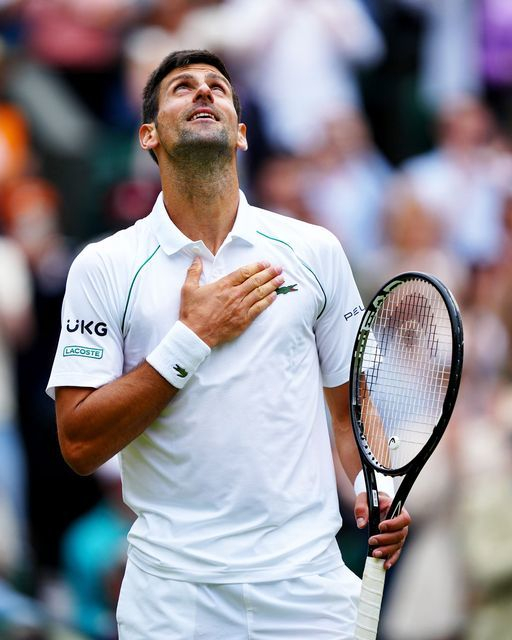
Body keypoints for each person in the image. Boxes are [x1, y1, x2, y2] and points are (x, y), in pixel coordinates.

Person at [46, 49, 410, 639]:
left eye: (217, 86)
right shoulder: (103, 267)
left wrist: (381, 491)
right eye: (182, 88)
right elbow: (79, 442)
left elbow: (349, 416)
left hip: (307, 588)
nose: (203, 92)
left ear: (240, 132)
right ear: (148, 136)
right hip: (172, 596)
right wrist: (191, 339)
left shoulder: (315, 250)